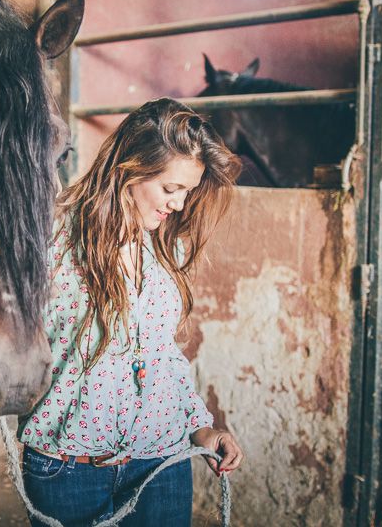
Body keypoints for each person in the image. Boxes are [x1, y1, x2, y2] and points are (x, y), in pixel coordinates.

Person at [18, 98, 244, 526]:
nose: (178, 205)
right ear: (131, 167)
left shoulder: (163, 245)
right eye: (170, 189)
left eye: (187, 192)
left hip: (162, 461)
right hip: (67, 466)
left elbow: (163, 356)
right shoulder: (51, 238)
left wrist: (201, 427)